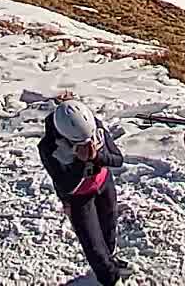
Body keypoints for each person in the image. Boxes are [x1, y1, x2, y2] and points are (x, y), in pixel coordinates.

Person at [39, 99, 129, 285]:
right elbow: (65, 185)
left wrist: (97, 157)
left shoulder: (95, 127)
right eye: (81, 142)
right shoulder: (49, 148)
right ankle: (110, 279)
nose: (89, 144)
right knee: (93, 245)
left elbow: (117, 159)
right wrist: (80, 163)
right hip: (78, 198)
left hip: (104, 185)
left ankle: (110, 261)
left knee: (109, 231)